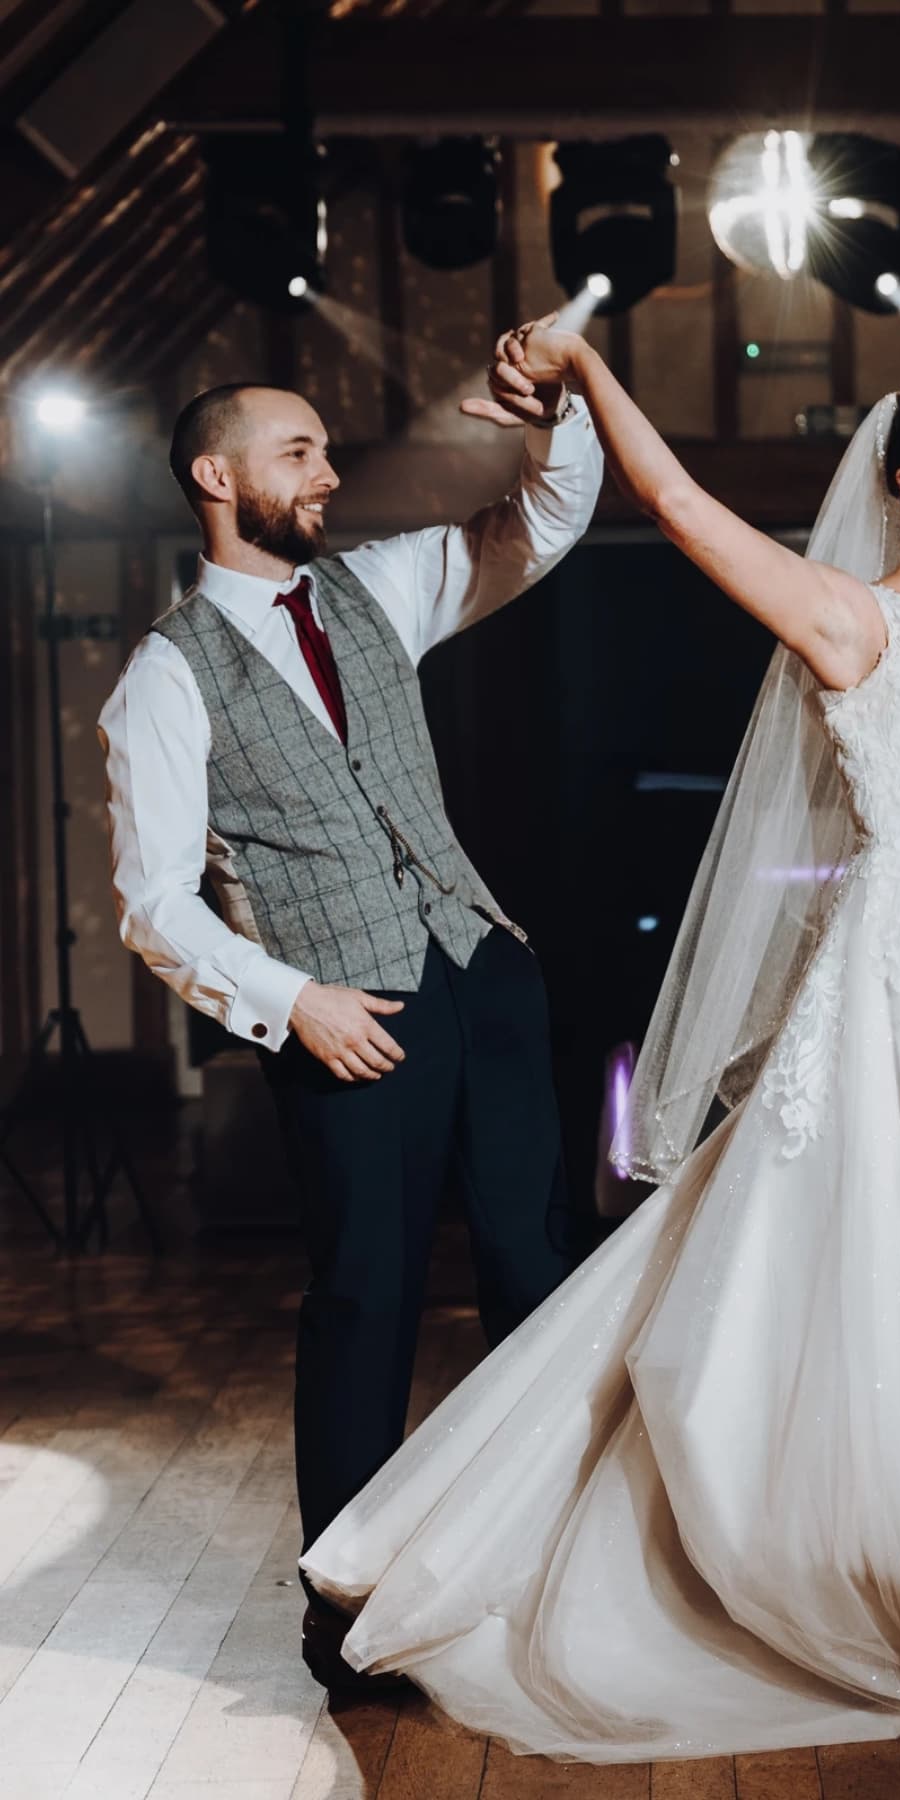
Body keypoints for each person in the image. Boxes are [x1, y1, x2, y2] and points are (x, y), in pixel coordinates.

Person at [300, 323, 900, 1783]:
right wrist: (591, 378)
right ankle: (862, 1591)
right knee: (895, 1281)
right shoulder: (851, 621)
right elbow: (686, 510)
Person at [98, 366, 603, 1689]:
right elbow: (151, 903)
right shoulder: (165, 674)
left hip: (482, 969)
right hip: (345, 1010)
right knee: (365, 1295)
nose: (329, 476)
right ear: (219, 477)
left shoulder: (378, 587)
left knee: (535, 1268)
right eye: (300, 453)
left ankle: (558, 1563)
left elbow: (541, 529)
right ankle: (352, 1607)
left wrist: (557, 427)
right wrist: (291, 1003)